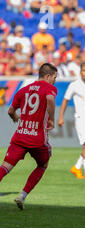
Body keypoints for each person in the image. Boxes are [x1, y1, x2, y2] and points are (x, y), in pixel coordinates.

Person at [0, 63, 58, 210]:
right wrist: (51, 119)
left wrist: (15, 117)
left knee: (5, 167)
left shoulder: (23, 90)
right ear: (48, 76)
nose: (55, 81)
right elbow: (50, 100)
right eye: (54, 78)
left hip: (20, 136)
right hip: (37, 138)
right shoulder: (49, 88)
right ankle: (22, 195)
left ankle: (22, 196)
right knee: (42, 165)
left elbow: (10, 111)